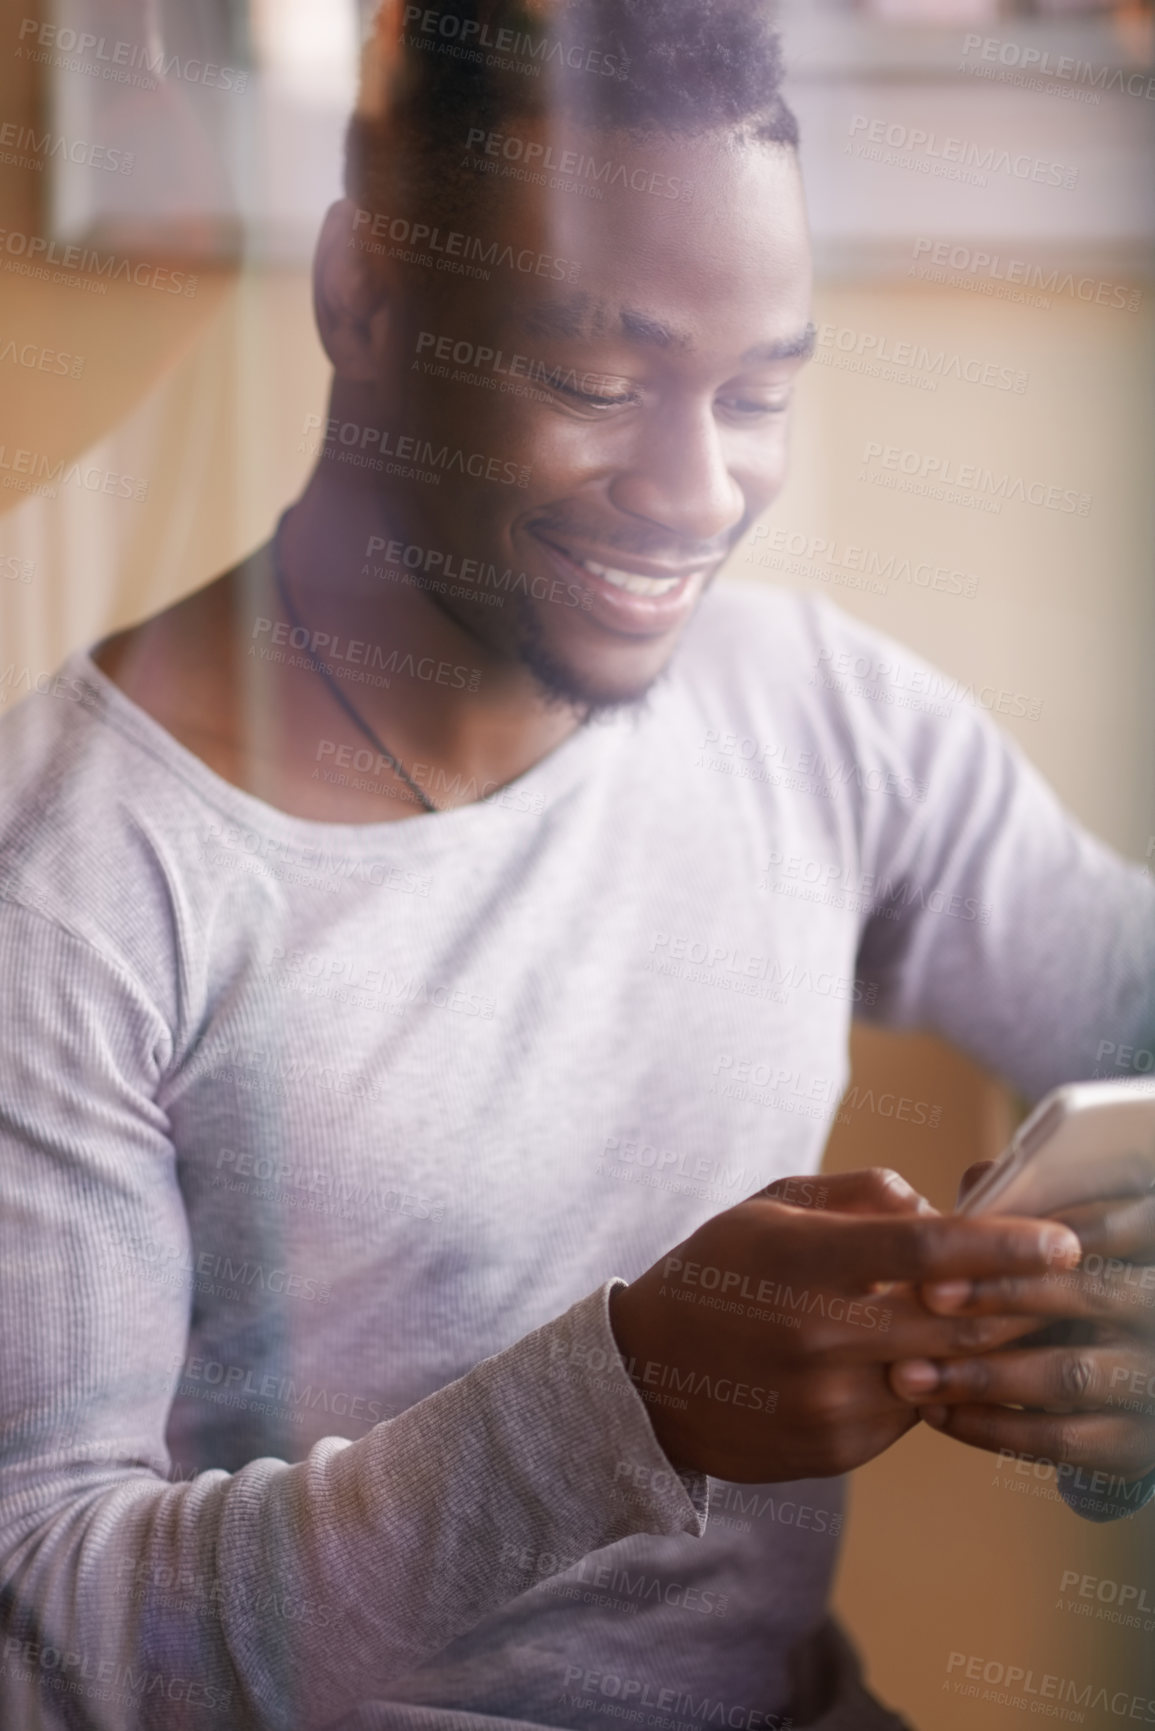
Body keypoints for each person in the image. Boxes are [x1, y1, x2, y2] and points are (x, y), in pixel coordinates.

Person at [2, 2, 1153, 1727]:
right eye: (596, 383)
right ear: (360, 298)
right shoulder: (69, 883)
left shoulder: (825, 718)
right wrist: (625, 1409)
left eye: (759, 394)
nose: (695, 493)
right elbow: (48, 1633)